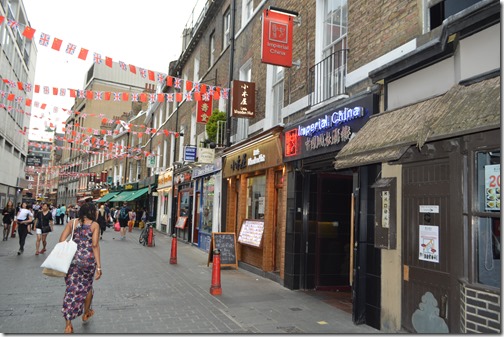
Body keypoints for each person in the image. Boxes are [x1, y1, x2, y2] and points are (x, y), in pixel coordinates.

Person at [60, 202, 102, 334]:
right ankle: (86, 312)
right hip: (88, 262)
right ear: (91, 212)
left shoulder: (72, 223)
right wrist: (99, 267)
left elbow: (61, 240)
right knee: (87, 286)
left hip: (72, 261)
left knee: (71, 289)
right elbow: (95, 245)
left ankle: (68, 324)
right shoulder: (94, 225)